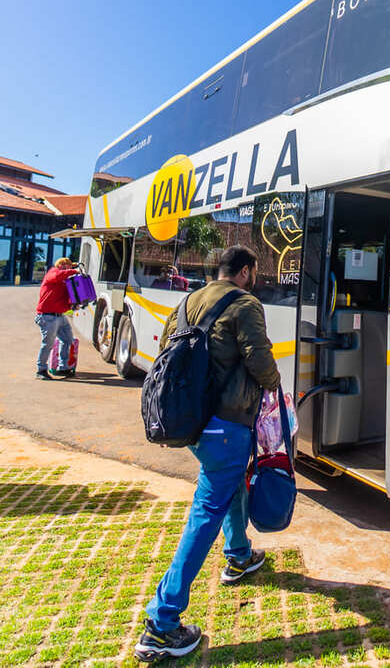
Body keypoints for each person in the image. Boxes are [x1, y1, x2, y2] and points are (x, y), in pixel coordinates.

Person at [134, 245, 281, 661]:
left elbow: (167, 351)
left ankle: (238, 556)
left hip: (196, 425)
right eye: (254, 271)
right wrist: (274, 381)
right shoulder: (246, 303)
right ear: (246, 271)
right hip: (228, 425)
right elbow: (259, 360)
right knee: (206, 511)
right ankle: (162, 623)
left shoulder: (187, 302)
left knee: (226, 486)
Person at [35, 257, 81, 380]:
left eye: (69, 265)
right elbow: (58, 276)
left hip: (59, 316)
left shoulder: (64, 283)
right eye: (64, 264)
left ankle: (63, 367)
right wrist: (74, 271)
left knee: (68, 339)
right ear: (59, 265)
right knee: (48, 344)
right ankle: (41, 370)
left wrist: (73, 305)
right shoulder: (53, 273)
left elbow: (65, 300)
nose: (67, 267)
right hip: (47, 316)